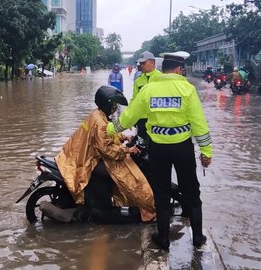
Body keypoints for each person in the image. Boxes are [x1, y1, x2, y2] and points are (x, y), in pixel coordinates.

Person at [107, 51, 212, 250]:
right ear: (180, 69)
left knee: (161, 193)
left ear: (162, 69)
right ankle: (198, 237)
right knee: (191, 190)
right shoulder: (187, 89)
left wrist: (110, 129)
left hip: (158, 149)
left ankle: (163, 238)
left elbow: (129, 117)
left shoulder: (149, 90)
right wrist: (206, 152)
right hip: (183, 148)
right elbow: (199, 124)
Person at [50, 85, 156, 223]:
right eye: (113, 105)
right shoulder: (100, 122)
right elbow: (108, 150)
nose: (114, 108)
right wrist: (127, 150)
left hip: (76, 156)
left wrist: (124, 137)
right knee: (128, 176)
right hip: (87, 161)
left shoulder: (98, 115)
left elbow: (108, 134)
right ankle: (144, 209)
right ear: (106, 104)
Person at [132, 51, 163, 142]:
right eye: (140, 63)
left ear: (153, 63)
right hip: (142, 119)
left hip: (157, 119)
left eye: (144, 63)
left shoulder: (161, 78)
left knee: (155, 145)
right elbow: (134, 100)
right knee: (141, 145)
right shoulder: (138, 81)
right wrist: (132, 118)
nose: (141, 65)